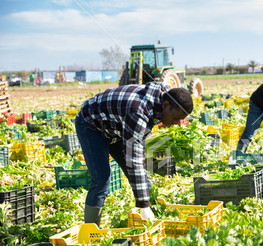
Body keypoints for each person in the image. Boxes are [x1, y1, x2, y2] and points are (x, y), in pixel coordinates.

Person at [75, 82, 193, 226]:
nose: (176, 123)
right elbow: (134, 161)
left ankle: (154, 215)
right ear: (165, 105)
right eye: (175, 118)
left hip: (117, 126)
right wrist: (143, 205)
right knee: (102, 180)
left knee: (143, 178)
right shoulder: (138, 112)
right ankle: (89, 232)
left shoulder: (169, 97)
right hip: (91, 126)